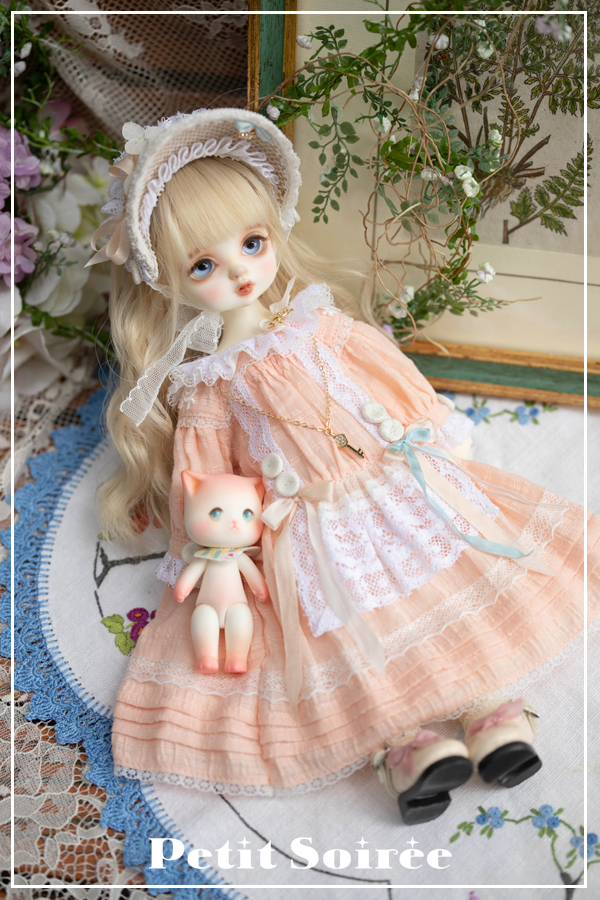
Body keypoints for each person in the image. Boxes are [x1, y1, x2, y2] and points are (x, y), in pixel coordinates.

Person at [90, 108, 598, 824]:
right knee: (349, 636)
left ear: (274, 233)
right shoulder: (209, 387)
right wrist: (220, 558)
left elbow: (389, 380)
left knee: (445, 583)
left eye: (252, 243)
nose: (239, 271)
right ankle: (406, 747)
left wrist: (431, 440)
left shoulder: (320, 325)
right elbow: (211, 479)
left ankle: (490, 711)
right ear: (164, 282)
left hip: (396, 486)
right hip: (307, 526)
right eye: (203, 265)